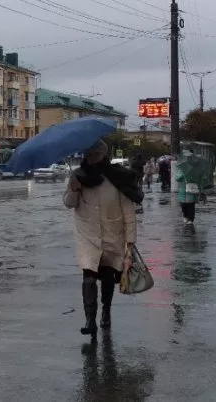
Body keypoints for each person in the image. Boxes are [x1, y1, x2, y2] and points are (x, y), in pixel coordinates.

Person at [64, 140, 141, 341]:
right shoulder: (78, 175)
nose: (91, 158)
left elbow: (129, 213)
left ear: (103, 154)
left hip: (112, 234)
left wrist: (130, 245)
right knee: (89, 276)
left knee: (107, 276)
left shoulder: (116, 176)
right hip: (87, 234)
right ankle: (90, 320)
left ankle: (106, 310)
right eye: (88, 154)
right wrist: (74, 190)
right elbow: (69, 204)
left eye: (95, 154)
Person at [176, 149, 204, 225]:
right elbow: (177, 178)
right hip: (182, 190)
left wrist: (201, 190)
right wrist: (183, 175)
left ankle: (191, 219)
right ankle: (185, 216)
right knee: (183, 205)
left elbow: (199, 179)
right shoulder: (181, 167)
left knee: (191, 205)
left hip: (192, 189)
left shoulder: (196, 167)